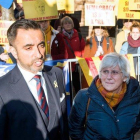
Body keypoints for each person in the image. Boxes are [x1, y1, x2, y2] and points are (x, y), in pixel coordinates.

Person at [0, 19, 69, 140]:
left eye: (41, 45)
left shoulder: (56, 74)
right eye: (28, 48)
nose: (38, 54)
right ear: (13, 52)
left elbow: (62, 121)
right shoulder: (2, 89)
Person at [69, 52, 140, 140]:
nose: (109, 77)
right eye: (105, 71)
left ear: (125, 77)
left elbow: (135, 126)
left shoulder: (135, 96)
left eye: (114, 72)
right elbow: (75, 130)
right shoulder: (85, 96)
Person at [60, 16, 85, 93]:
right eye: (65, 23)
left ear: (73, 24)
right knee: (67, 88)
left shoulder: (79, 35)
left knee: (78, 87)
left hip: (76, 65)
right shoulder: (59, 36)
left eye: (69, 23)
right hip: (65, 66)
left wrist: (82, 60)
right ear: (62, 25)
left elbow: (83, 49)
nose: (68, 25)